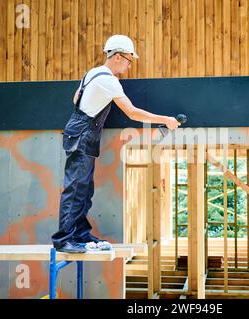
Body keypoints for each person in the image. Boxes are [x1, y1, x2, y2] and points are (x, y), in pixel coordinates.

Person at [52, 35, 180, 253]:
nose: (130, 65)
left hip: (81, 132)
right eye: (129, 60)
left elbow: (76, 100)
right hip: (83, 134)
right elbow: (131, 112)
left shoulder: (92, 73)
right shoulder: (108, 80)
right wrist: (166, 120)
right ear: (118, 56)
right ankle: (64, 239)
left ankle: (80, 233)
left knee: (84, 188)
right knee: (75, 188)